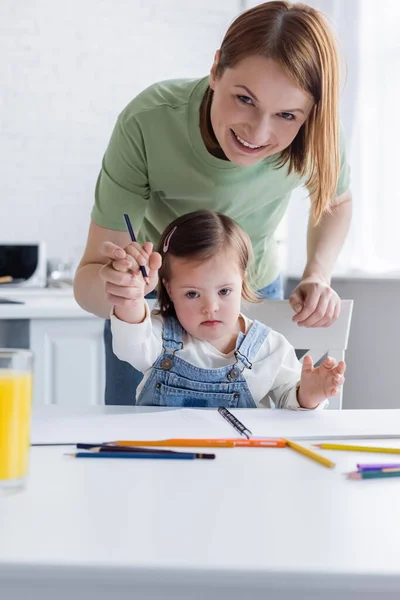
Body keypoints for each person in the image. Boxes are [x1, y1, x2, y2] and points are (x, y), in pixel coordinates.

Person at [73, 1, 352, 405]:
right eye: (244, 99)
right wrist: (123, 290)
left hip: (249, 291)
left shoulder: (318, 135)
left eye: (287, 115)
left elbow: (335, 201)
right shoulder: (149, 122)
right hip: (152, 298)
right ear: (216, 68)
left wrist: (317, 274)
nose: (257, 132)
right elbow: (87, 285)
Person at [110, 210, 345, 409]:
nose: (210, 307)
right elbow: (130, 345)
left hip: (240, 460)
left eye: (224, 292)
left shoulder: (268, 347)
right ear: (169, 289)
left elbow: (288, 401)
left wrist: (310, 393)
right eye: (192, 294)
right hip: (163, 456)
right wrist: (131, 295)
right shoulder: (159, 335)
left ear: (242, 280)